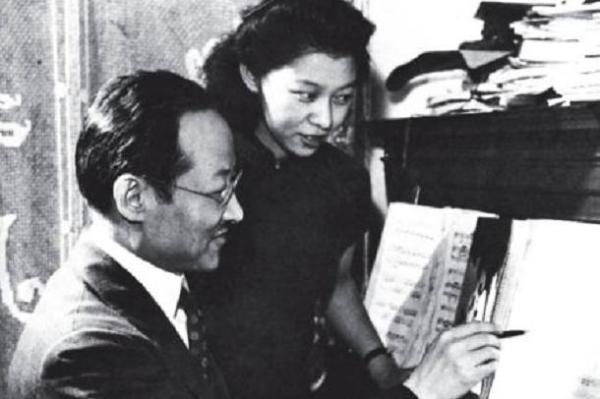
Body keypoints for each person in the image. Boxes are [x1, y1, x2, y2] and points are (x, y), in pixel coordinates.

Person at [193, 1, 502, 399]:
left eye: (342, 98)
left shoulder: (341, 179)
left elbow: (336, 283)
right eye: (306, 96)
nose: (326, 119)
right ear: (252, 77)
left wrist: (381, 364)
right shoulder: (213, 173)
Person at [8, 70, 243, 399]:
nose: (236, 212)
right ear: (134, 199)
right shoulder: (90, 356)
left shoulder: (148, 284)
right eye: (218, 192)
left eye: (234, 184)